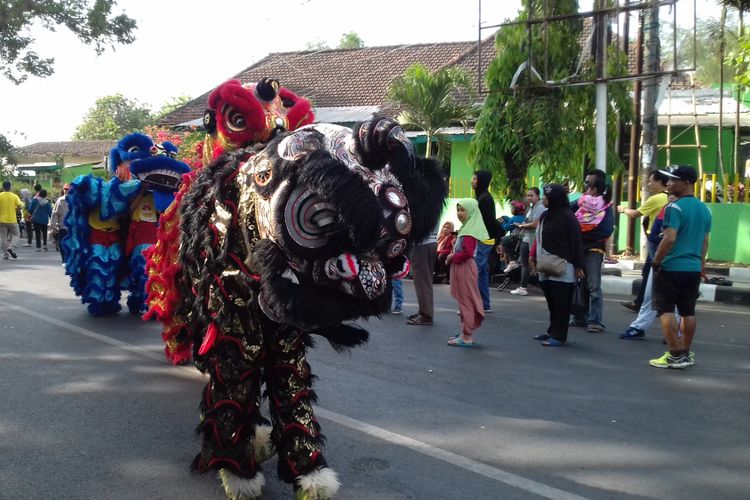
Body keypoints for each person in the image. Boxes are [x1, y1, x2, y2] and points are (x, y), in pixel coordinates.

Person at [649, 165, 711, 369]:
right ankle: (685, 352)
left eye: (673, 180)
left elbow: (669, 239)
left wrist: (656, 261)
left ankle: (674, 354)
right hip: (692, 268)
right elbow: (705, 242)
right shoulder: (704, 209)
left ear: (686, 183)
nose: (668, 183)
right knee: (688, 311)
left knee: (665, 310)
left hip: (671, 266)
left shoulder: (673, 208)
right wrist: (701, 265)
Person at [529, 184, 585, 346]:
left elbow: (575, 242)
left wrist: (578, 265)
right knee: (552, 301)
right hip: (545, 263)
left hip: (563, 265)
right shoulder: (546, 215)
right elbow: (538, 237)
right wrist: (532, 256)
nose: (544, 199)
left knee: (561, 303)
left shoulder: (567, 216)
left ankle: (559, 335)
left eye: (547, 196)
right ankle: (552, 330)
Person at [620, 194, 675, 339]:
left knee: (674, 302)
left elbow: (669, 238)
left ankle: (675, 336)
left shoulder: (682, 210)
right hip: (657, 259)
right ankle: (639, 327)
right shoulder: (667, 209)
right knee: (649, 296)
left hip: (671, 262)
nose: (670, 196)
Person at [617, 170, 669, 312]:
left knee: (651, 272)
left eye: (651, 181)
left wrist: (622, 209)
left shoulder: (656, 199)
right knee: (657, 271)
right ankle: (643, 302)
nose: (649, 184)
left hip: (655, 240)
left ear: (660, 182)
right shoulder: (672, 198)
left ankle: (645, 304)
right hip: (667, 239)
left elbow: (635, 214)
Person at [570, 170, 614, 333]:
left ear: (596, 188)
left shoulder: (606, 206)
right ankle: (580, 317)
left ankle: (595, 320)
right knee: (579, 284)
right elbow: (567, 211)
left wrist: (580, 232)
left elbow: (605, 231)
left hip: (593, 251)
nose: (585, 186)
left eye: (588, 184)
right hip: (577, 250)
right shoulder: (581, 202)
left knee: (593, 286)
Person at [446, 198, 487, 347]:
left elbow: (468, 252)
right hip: (462, 266)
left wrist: (452, 256)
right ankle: (465, 332)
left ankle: (467, 335)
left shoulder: (469, 231)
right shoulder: (467, 228)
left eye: (463, 210)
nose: (459, 213)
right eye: (458, 210)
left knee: (466, 301)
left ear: (471, 212)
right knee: (464, 300)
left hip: (465, 267)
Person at [508, 187, 546, 296]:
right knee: (525, 263)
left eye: (531, 195)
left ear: (538, 196)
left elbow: (535, 224)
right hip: (526, 237)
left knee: (536, 263)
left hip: (534, 238)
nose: (529, 198)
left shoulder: (540, 208)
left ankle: (532, 286)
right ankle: (523, 286)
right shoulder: (530, 208)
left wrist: (521, 225)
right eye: (528, 195)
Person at [472, 170, 501, 312]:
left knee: (475, 271)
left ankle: (474, 305)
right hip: (486, 238)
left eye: (475, 179)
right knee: (482, 272)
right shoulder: (483, 197)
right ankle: (484, 304)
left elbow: (488, 221)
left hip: (483, 239)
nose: (472, 181)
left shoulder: (484, 199)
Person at [406, 223, 439, 325]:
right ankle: (424, 311)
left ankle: (426, 314)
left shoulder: (423, 207)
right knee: (424, 280)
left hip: (422, 243)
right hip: (428, 242)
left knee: (422, 281)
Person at [498, 200, 526, 271]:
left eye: (512, 208)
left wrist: (501, 222)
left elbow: (506, 227)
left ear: (515, 210)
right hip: (523, 239)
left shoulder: (514, 218)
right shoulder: (524, 217)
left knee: (504, 240)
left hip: (516, 240)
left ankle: (512, 261)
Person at [1, 180, 24, 260]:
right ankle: (11, 246)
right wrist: (15, 209)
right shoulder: (14, 196)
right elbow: (20, 206)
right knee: (16, 234)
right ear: (10, 187)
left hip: (1, 220)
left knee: (3, 236)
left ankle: (5, 254)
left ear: (2, 187)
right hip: (12, 219)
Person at [50, 184, 71, 263]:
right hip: (62, 227)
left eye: (68, 189)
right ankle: (64, 260)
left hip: (73, 228)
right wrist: (53, 226)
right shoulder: (60, 201)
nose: (67, 191)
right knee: (62, 245)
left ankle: (70, 260)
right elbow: (55, 213)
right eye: (65, 189)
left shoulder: (76, 200)